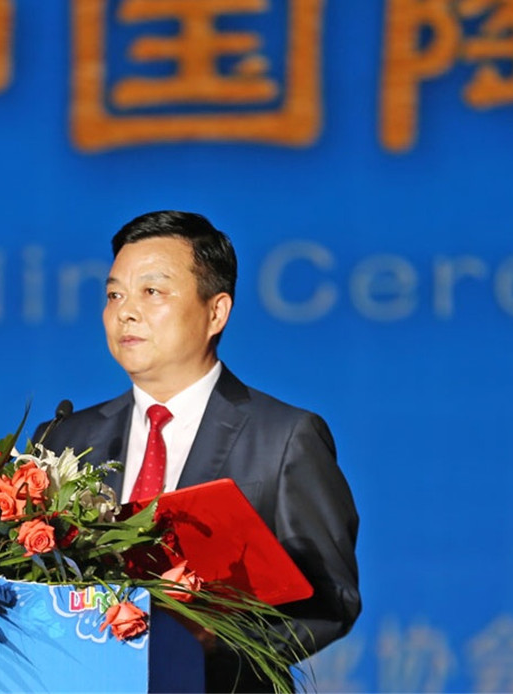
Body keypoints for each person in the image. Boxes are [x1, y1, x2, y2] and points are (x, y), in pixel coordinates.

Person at [35, 210, 360, 693]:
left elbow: (331, 599)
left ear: (216, 312)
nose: (125, 312)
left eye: (152, 291)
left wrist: (210, 644)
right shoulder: (63, 438)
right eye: (114, 294)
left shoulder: (284, 437)